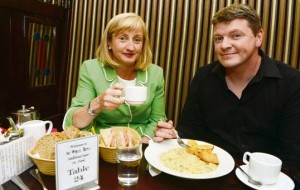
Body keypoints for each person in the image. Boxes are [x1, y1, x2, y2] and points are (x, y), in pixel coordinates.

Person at [154, 4, 300, 171]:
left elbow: (293, 157)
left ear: (258, 37)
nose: (224, 45)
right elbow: (191, 135)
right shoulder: (203, 77)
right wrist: (173, 137)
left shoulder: (291, 82)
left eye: (236, 36)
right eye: (218, 38)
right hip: (209, 176)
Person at [63, 13, 166, 144]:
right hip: (104, 143)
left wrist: (141, 145)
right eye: (122, 38)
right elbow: (75, 122)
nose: (131, 47)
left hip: (142, 142)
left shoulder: (155, 73)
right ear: (109, 41)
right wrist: (98, 103)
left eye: (137, 40)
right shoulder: (90, 68)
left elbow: (158, 119)